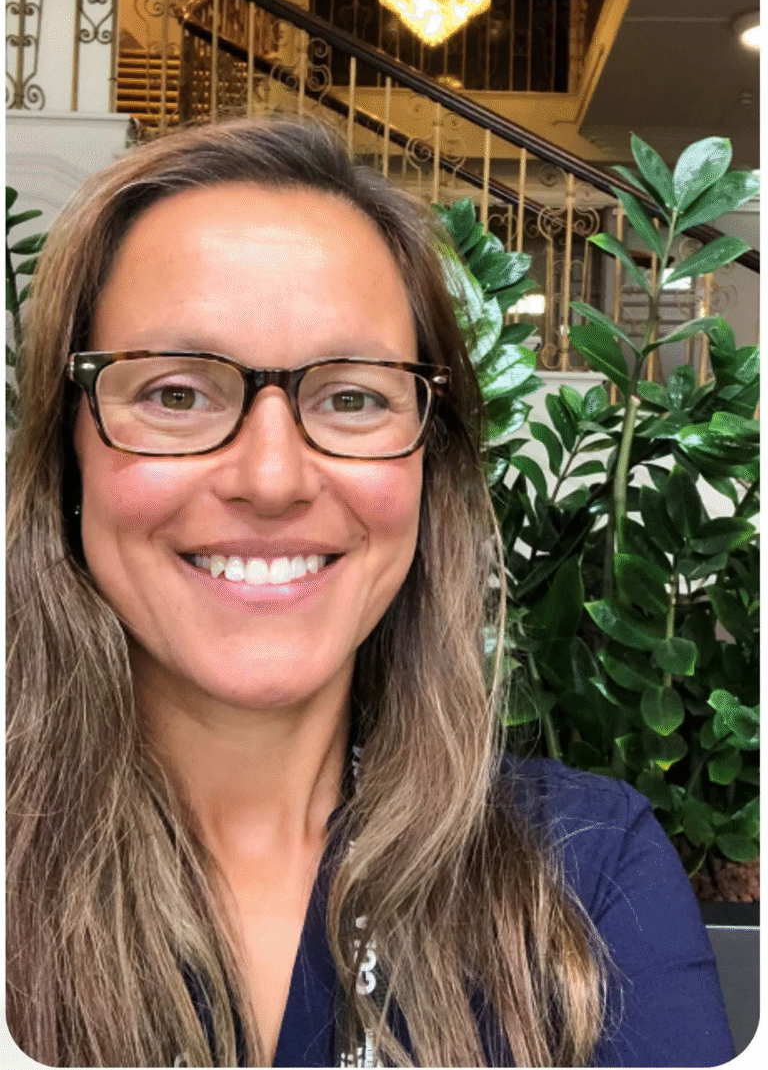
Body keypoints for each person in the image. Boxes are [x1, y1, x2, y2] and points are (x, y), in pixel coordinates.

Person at [6, 115, 735, 1069]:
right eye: (176, 394)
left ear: (432, 467)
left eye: (352, 396)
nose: (271, 479)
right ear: (68, 456)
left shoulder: (587, 875)